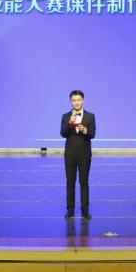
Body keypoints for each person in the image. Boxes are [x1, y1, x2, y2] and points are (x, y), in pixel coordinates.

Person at [60, 90, 96, 220]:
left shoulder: (90, 116)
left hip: (84, 154)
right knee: (70, 182)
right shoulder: (65, 116)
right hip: (70, 155)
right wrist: (70, 124)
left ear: (83, 100)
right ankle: (70, 210)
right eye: (74, 100)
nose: (76, 102)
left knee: (84, 182)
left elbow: (92, 134)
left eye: (78, 100)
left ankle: (85, 210)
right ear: (71, 101)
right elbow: (63, 134)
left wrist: (85, 130)